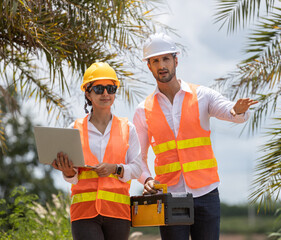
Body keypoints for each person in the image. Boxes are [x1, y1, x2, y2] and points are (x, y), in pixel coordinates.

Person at [133, 33, 258, 240]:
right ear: (149, 66)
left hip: (206, 193)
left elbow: (229, 111)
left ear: (176, 60)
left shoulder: (202, 95)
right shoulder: (142, 110)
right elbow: (138, 157)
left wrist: (236, 110)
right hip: (169, 195)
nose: (161, 65)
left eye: (165, 59)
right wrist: (146, 179)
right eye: (155, 61)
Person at [51, 62, 142, 240]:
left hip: (118, 213)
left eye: (111, 88)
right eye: (99, 89)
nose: (106, 94)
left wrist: (115, 168)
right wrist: (68, 171)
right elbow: (73, 175)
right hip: (84, 214)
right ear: (88, 93)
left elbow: (137, 168)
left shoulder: (128, 128)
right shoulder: (74, 128)